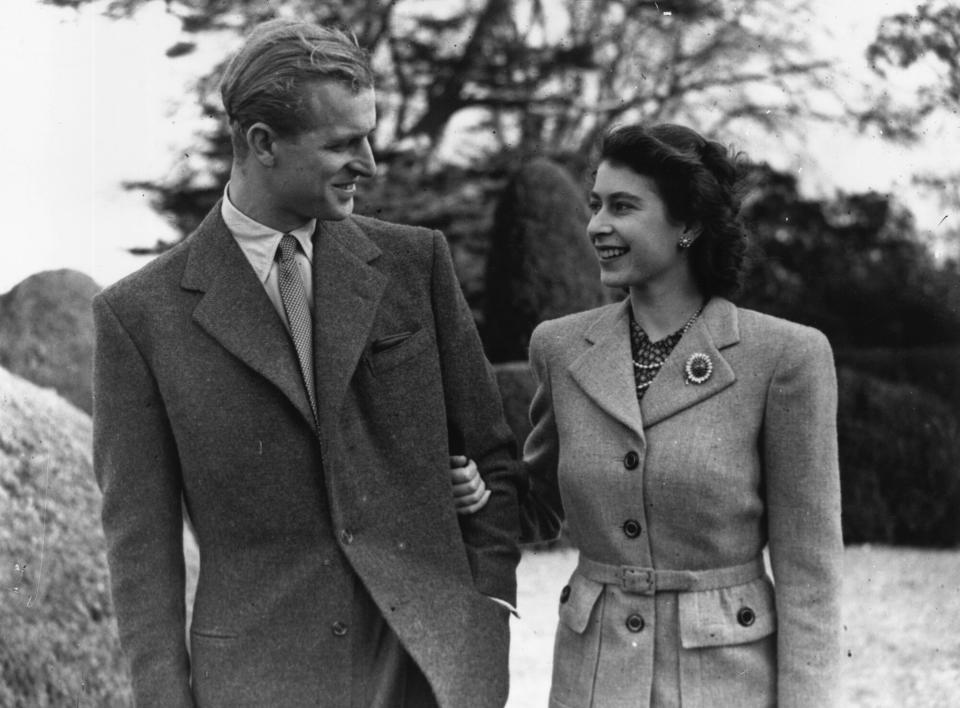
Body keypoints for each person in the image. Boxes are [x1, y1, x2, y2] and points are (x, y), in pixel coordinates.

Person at [93, 19, 520, 708]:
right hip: (260, 682)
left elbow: (492, 460)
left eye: (370, 135)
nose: (371, 164)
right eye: (343, 144)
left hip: (427, 676)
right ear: (262, 143)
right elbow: (141, 555)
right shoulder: (139, 316)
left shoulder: (416, 264)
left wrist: (488, 614)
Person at [456, 123, 843, 706]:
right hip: (592, 678)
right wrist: (481, 492)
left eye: (623, 206)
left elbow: (809, 576)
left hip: (727, 682)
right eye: (594, 206)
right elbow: (538, 506)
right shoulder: (560, 349)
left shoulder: (785, 357)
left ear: (688, 224)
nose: (596, 226)